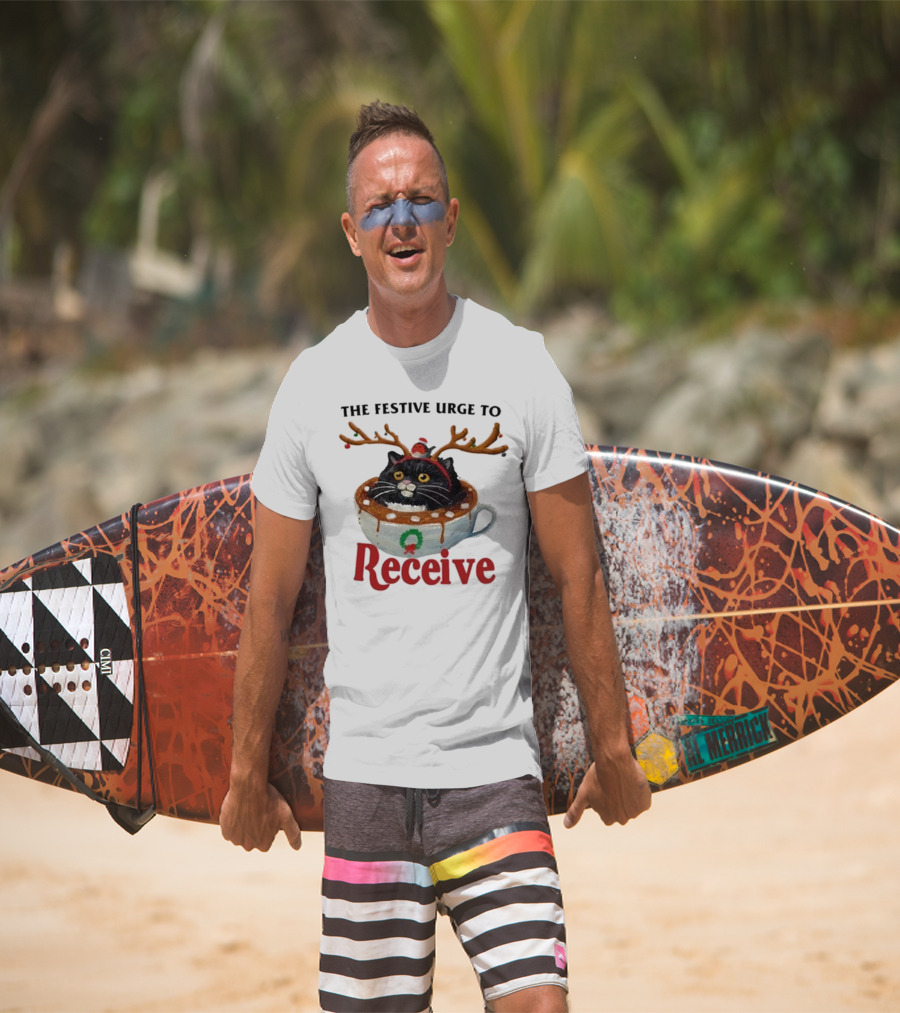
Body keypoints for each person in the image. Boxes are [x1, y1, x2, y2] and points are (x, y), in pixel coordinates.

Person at [220, 100, 651, 1013]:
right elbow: (269, 600)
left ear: (451, 219)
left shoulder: (522, 368)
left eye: (421, 200)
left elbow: (579, 574)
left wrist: (612, 746)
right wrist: (242, 772)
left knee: (540, 1003)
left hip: (495, 772)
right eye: (380, 206)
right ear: (351, 232)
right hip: (368, 777)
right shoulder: (314, 386)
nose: (402, 220)